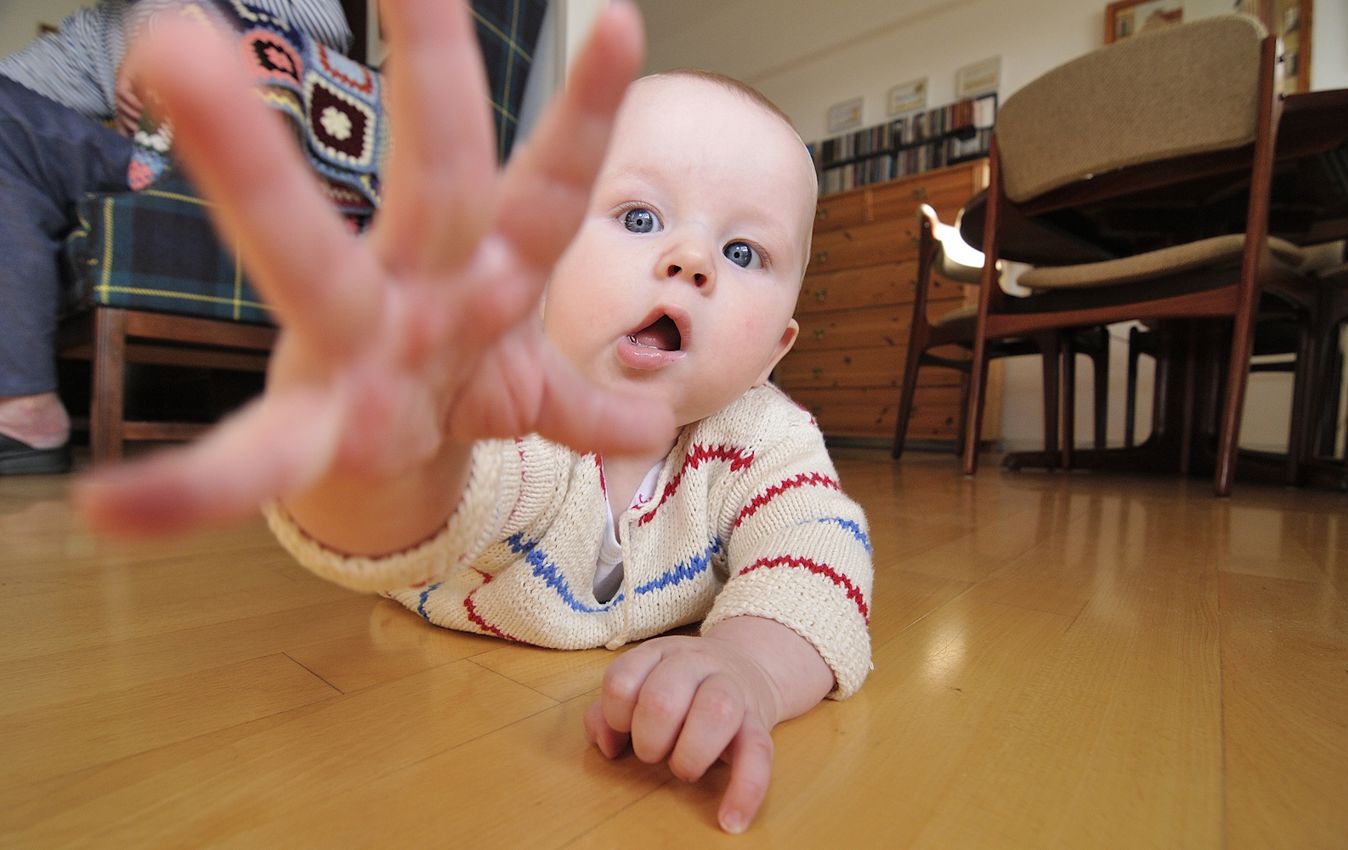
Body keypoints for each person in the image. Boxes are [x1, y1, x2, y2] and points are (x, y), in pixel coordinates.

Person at [76, 0, 873, 835]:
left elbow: (817, 556)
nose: (691, 261)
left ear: (777, 346)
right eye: (640, 218)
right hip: (408, 735)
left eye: (745, 253)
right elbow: (454, 497)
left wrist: (748, 664)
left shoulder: (765, 434)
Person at [0, 0, 351, 475]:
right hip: (140, 164)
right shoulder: (96, 29)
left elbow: (327, 23)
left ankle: (21, 401)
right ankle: (20, 404)